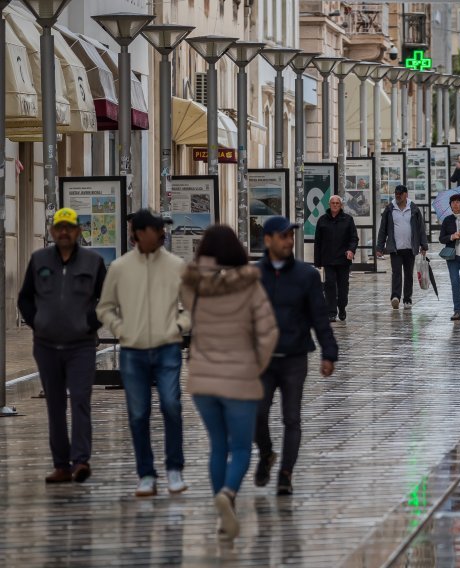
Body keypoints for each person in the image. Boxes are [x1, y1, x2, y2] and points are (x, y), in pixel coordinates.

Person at [182, 225, 279, 540]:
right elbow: (268, 333)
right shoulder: (251, 286)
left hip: (203, 380)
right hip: (240, 378)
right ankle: (228, 494)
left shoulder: (192, 287)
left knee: (217, 446)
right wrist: (256, 365)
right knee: (240, 447)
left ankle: (225, 516)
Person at [97, 209, 191, 497]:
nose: (162, 233)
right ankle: (146, 474)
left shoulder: (176, 265)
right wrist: (121, 329)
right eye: (155, 229)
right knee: (138, 413)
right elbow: (105, 307)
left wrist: (177, 326)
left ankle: (174, 469)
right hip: (133, 350)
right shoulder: (120, 267)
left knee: (171, 406)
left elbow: (192, 306)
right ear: (139, 233)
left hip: (167, 348)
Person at [17, 208, 107, 484]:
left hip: (81, 346)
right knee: (55, 406)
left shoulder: (93, 262)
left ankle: (81, 461)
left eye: (69, 227)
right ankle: (61, 465)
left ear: (78, 231)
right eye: (60, 228)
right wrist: (39, 323)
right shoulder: (38, 260)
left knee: (80, 401)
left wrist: (89, 324)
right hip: (46, 346)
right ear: (52, 232)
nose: (64, 232)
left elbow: (106, 301)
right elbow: (25, 299)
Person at [254, 217, 338, 496]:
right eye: (283, 236)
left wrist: (329, 352)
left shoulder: (306, 275)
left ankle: (286, 474)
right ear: (268, 240)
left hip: (294, 357)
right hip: (262, 360)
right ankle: (266, 453)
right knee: (258, 414)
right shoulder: (253, 275)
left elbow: (319, 316)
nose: (289, 241)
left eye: (291, 236)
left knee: (292, 418)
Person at [376, 185, 428, 309]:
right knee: (396, 273)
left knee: (408, 274)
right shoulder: (390, 209)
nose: (398, 196)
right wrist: (379, 247)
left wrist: (423, 245)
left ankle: (407, 299)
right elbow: (383, 229)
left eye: (400, 194)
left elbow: (421, 228)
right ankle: (395, 297)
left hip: (410, 248)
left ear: (406, 194)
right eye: (396, 194)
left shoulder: (414, 209)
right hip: (395, 248)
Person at [314, 194, 359, 322]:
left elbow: (354, 238)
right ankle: (331, 312)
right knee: (330, 285)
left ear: (341, 205)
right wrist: (317, 261)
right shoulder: (322, 220)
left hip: (343, 260)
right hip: (328, 259)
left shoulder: (348, 220)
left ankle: (342, 307)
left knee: (343, 287)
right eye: (332, 203)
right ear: (329, 205)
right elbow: (318, 242)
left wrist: (351, 250)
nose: (335, 205)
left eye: (337, 203)